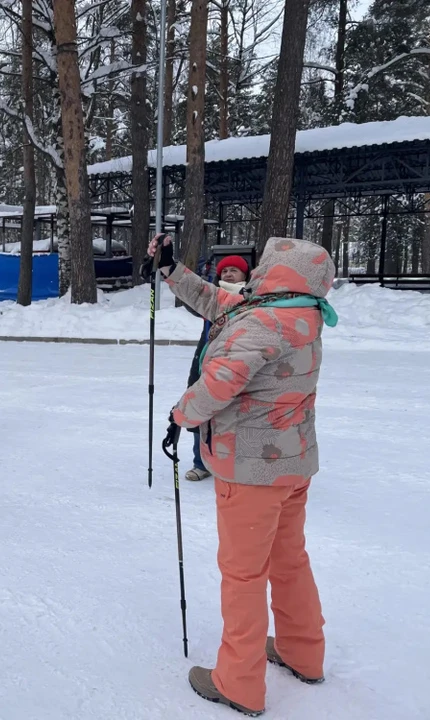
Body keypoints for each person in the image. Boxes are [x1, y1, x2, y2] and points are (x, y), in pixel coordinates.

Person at [150, 234, 337, 717]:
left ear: (277, 274)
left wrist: (180, 415)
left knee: (243, 575)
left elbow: (218, 385)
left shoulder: (262, 324)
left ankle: (238, 682)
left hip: (251, 470)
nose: (255, 273)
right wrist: (172, 269)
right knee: (289, 561)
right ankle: (302, 651)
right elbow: (219, 303)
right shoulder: (300, 312)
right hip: (293, 465)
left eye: (264, 266)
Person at [184, 255, 249, 482]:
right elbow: (192, 299)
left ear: (245, 275)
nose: (228, 274)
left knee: (237, 414)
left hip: (238, 361)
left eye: (234, 270)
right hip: (206, 359)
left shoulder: (252, 297)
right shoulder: (212, 295)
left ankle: (236, 463)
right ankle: (201, 463)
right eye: (225, 271)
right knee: (201, 408)